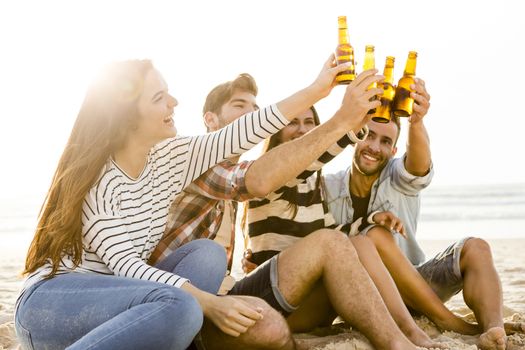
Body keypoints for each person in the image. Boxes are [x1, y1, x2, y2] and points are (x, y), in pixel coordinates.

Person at [15, 57, 353, 349]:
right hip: (51, 310)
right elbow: (129, 268)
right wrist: (210, 305)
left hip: (122, 304)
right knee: (185, 307)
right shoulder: (101, 185)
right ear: (127, 119)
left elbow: (239, 133)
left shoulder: (171, 157)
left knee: (208, 254)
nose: (174, 102)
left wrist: (318, 89)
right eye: (160, 98)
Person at [152, 71, 440, 350]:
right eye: (240, 106)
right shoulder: (196, 160)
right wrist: (348, 120)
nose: (252, 114)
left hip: (224, 297)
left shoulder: (239, 178)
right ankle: (402, 338)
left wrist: (370, 218)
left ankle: (406, 331)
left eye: (255, 108)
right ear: (210, 119)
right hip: (184, 305)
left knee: (350, 245)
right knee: (331, 244)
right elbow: (280, 173)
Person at [323, 78, 524, 350]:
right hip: (367, 295)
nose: (374, 147)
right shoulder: (328, 187)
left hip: (417, 287)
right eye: (369, 135)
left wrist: (416, 122)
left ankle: (493, 329)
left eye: (385, 141)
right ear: (355, 135)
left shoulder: (397, 175)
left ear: (393, 150)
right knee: (372, 235)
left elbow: (418, 165)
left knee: (476, 247)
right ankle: (456, 324)